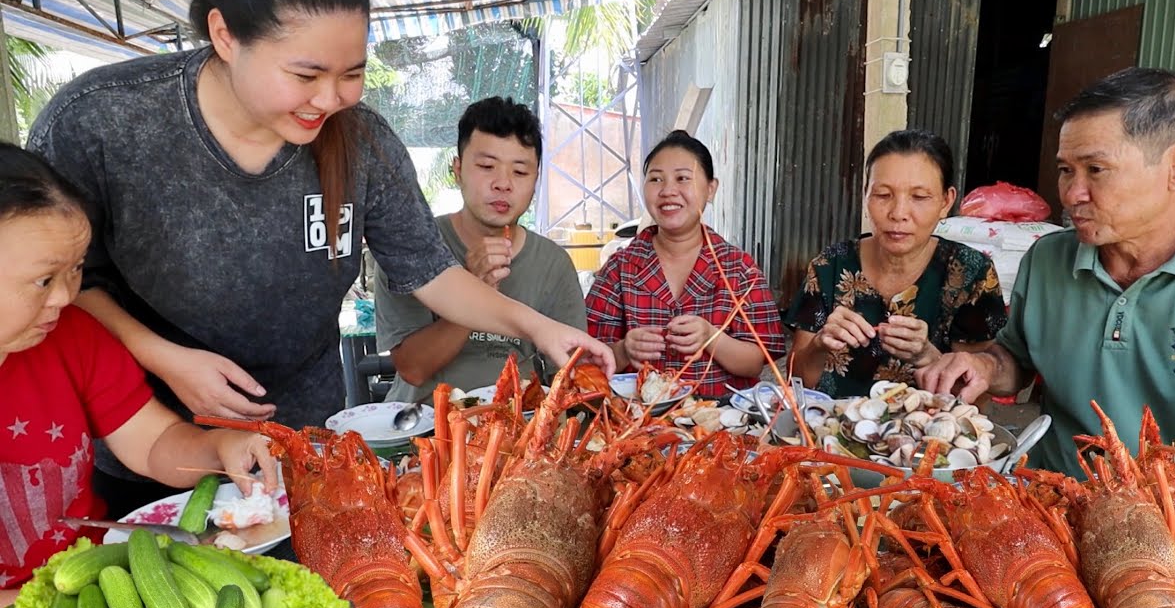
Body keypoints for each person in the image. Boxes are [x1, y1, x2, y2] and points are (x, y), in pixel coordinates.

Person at [26, 0, 612, 516]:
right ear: (226, 35)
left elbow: (431, 272)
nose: (330, 99)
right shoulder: (103, 122)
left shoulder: (363, 142)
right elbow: (65, 285)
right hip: (148, 445)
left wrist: (540, 329)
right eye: (305, 74)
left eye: (352, 73)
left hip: (305, 442)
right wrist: (165, 359)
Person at [917, 67, 1175, 594]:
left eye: (1096, 169)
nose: (1072, 193)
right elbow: (1017, 359)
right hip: (1055, 516)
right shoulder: (1049, 258)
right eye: (1066, 170)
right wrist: (982, 364)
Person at [0, 144, 278, 608]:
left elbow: (151, 443)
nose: (67, 296)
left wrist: (219, 448)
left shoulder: (71, 338)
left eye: (76, 270)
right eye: (43, 279)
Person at [374, 97, 585, 402]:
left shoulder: (553, 264)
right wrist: (475, 289)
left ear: (536, 179)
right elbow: (412, 368)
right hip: (428, 428)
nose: (503, 184)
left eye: (520, 172)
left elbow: (568, 374)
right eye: (487, 166)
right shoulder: (411, 246)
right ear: (457, 170)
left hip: (521, 430)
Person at [785, 130, 1006, 398]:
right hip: (830, 430)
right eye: (883, 195)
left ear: (946, 201)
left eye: (919, 197)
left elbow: (975, 397)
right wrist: (820, 345)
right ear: (865, 196)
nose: (898, 214)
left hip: (930, 435)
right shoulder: (831, 265)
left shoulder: (970, 272)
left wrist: (927, 354)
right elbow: (795, 382)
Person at [584, 130, 785, 398]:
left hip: (720, 424)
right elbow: (585, 361)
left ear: (710, 188)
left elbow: (756, 362)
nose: (668, 191)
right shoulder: (620, 268)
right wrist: (622, 351)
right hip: (636, 426)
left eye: (683, 178)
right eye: (656, 179)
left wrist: (712, 338)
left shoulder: (740, 269)